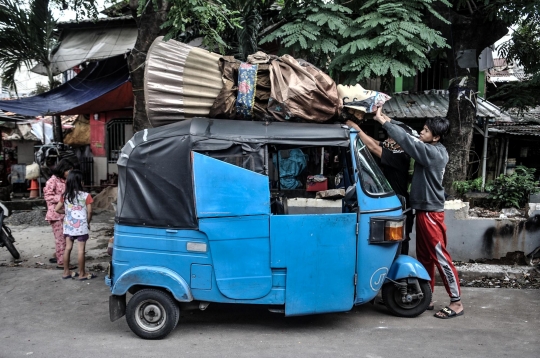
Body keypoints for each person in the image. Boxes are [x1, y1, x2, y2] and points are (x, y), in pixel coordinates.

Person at [372, 107, 464, 319]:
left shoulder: (432, 153)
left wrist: (384, 123)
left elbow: (407, 140)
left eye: (425, 130)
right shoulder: (428, 145)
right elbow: (409, 133)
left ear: (436, 137)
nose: (420, 132)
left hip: (432, 213)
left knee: (440, 258)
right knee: (424, 258)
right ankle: (427, 297)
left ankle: (456, 302)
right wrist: (384, 117)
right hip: (423, 211)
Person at [346, 118, 415, 255]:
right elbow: (376, 142)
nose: (387, 141)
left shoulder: (401, 156)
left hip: (401, 205)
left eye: (391, 139)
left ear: (401, 142)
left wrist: (354, 127)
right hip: (393, 203)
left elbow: (372, 147)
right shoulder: (395, 149)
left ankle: (398, 272)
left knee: (399, 242)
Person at [54, 170, 96, 281]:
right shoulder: (86, 195)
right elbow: (90, 211)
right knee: (81, 250)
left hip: (68, 226)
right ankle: (82, 274)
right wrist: (87, 222)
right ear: (79, 182)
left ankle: (66, 272)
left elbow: (57, 209)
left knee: (67, 248)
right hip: (81, 227)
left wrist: (67, 213)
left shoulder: (65, 195)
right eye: (82, 181)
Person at [43, 159, 75, 270]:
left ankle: (58, 255)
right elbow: (48, 196)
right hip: (56, 215)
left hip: (65, 214)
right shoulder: (53, 181)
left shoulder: (65, 180)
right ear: (63, 170)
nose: (70, 173)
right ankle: (61, 262)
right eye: (69, 171)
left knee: (64, 238)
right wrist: (62, 199)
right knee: (61, 239)